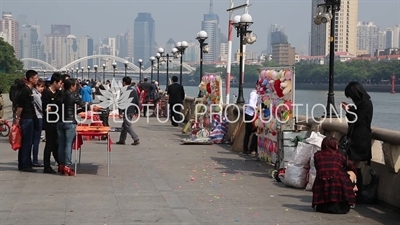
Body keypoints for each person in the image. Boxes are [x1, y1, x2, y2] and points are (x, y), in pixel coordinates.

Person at [342, 81, 373, 203]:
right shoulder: (364, 103)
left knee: (351, 165)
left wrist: (348, 110)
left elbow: (357, 120)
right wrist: (351, 109)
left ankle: (352, 191)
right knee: (355, 166)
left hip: (359, 139)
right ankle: (355, 192)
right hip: (358, 138)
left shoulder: (365, 104)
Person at [312, 137, 357, 214]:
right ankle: (351, 195)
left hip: (321, 199)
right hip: (338, 192)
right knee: (351, 173)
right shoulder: (339, 155)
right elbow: (352, 167)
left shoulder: (317, 155)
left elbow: (318, 168)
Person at [57, 79, 89, 176]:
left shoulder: (59, 94)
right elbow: (83, 105)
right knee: (68, 145)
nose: (76, 87)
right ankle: (67, 166)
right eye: (75, 85)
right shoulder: (73, 95)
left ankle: (61, 165)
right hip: (70, 122)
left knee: (61, 145)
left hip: (59, 121)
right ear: (71, 86)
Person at [15, 70, 39, 172]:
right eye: (36, 77)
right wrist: (17, 119)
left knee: (27, 142)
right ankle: (25, 165)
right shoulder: (25, 91)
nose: (37, 79)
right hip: (27, 119)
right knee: (26, 143)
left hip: (30, 118)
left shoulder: (29, 90)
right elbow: (20, 106)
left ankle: (24, 164)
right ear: (30, 79)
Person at [41, 72, 63, 174]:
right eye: (60, 83)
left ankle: (60, 163)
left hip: (57, 120)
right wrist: (53, 106)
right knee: (49, 144)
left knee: (56, 144)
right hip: (50, 122)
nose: (61, 85)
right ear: (55, 82)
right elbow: (46, 108)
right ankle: (47, 166)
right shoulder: (46, 93)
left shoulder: (59, 92)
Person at [116, 76, 140, 146]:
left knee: (127, 125)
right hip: (132, 109)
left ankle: (136, 139)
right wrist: (137, 111)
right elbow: (136, 101)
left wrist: (120, 112)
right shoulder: (133, 90)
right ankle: (122, 140)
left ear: (124, 82)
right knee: (124, 125)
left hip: (126, 110)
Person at [242, 81, 259, 155]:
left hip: (250, 114)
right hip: (250, 114)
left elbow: (246, 101)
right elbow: (250, 103)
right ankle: (251, 149)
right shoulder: (253, 93)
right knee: (254, 132)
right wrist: (257, 108)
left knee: (249, 133)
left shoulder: (256, 94)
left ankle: (247, 148)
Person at [31, 79, 45, 167]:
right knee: (36, 140)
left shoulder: (33, 94)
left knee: (34, 140)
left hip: (35, 118)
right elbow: (41, 107)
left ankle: (33, 159)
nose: (42, 89)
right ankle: (35, 160)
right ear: (37, 86)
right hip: (38, 118)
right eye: (41, 87)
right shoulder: (36, 96)